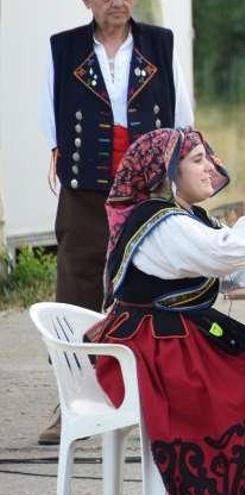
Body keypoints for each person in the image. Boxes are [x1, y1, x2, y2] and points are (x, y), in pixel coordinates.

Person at [88, 128, 245, 494]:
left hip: (178, 337)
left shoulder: (186, 218)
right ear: (168, 174)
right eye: (197, 160)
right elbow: (226, 251)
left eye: (207, 158)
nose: (210, 168)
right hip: (155, 352)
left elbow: (233, 260)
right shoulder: (159, 223)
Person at [39, 0, 194, 444]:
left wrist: (179, 181)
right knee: (78, 282)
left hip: (146, 189)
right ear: (87, 1)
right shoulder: (63, 49)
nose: (117, 1)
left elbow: (181, 117)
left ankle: (156, 396)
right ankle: (71, 399)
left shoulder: (159, 45)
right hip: (85, 187)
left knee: (150, 286)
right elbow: (52, 124)